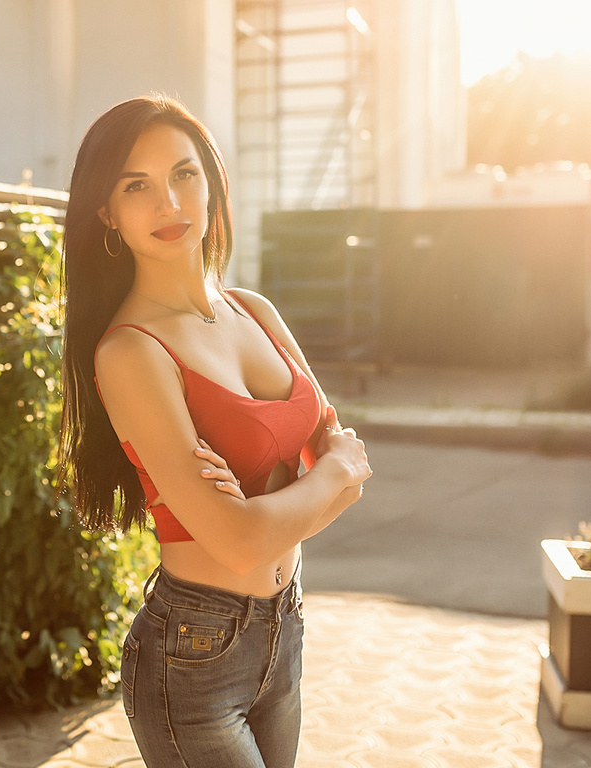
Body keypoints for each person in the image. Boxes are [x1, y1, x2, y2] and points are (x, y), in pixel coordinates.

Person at [58, 95, 372, 767]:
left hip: (283, 627)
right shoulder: (131, 352)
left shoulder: (254, 310)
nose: (168, 201)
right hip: (193, 655)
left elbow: (332, 443)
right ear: (107, 213)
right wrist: (324, 484)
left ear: (212, 183)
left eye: (184, 174)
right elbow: (247, 532)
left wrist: (272, 507)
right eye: (135, 186)